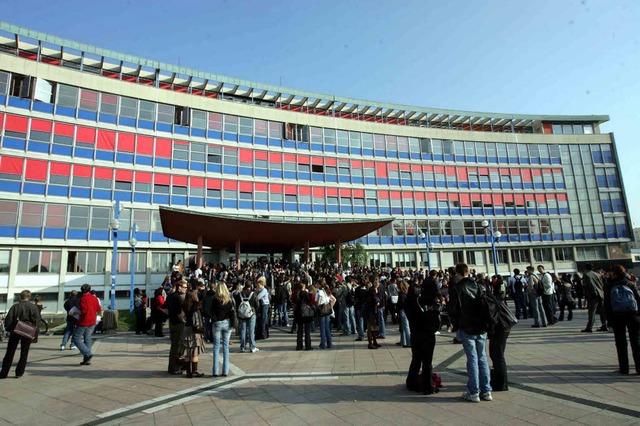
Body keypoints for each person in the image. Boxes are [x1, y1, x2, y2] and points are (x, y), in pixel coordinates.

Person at [449, 263, 492, 403]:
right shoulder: (479, 285)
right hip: (481, 325)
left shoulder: (458, 288)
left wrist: (455, 325)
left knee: (472, 359)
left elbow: (453, 310)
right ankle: (486, 390)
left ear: (458, 273)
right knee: (482, 357)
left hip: (467, 326)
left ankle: (474, 392)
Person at [405, 276, 440, 395]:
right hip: (426, 333)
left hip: (415, 333)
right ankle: (428, 386)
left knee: (416, 359)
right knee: (427, 362)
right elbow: (433, 322)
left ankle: (411, 382)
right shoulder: (424, 302)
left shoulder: (411, 302)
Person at [603, 265, 640, 375]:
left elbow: (607, 305)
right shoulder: (630, 284)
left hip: (617, 315)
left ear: (614, 274)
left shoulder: (609, 286)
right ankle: (639, 367)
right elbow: (638, 299)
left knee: (620, 342)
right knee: (636, 341)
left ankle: (624, 368)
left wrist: (609, 320)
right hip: (633, 314)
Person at [0, 290, 40, 379]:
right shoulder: (33, 307)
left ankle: (4, 373)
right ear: (29, 297)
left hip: (16, 330)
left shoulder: (16, 306)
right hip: (28, 331)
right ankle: (19, 372)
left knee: (10, 352)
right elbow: (37, 322)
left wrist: (9, 329)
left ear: (20, 297)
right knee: (24, 353)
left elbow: (9, 319)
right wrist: (35, 334)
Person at [73, 284, 102, 366]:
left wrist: (74, 312)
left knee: (76, 338)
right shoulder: (95, 298)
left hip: (84, 321)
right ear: (89, 289)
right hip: (92, 321)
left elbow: (84, 311)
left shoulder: (83, 299)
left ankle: (87, 353)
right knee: (88, 338)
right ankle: (87, 359)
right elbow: (98, 309)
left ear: (81, 290)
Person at [210, 282, 234, 377]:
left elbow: (211, 311)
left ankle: (215, 371)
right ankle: (225, 371)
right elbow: (231, 311)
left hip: (217, 323)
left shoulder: (214, 300)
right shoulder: (228, 300)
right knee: (226, 347)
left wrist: (215, 319)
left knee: (216, 347)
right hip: (227, 323)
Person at [179, 289, 205, 378]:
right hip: (195, 330)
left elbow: (181, 316)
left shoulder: (184, 305)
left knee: (187, 350)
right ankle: (194, 371)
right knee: (194, 351)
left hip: (186, 328)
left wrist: (185, 321)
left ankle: (188, 372)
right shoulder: (196, 306)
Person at [166, 279, 188, 374]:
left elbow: (164, 308)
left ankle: (172, 367)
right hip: (178, 324)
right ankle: (175, 367)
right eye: (184, 287)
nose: (186, 289)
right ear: (179, 287)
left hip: (172, 322)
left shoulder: (170, 296)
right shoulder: (178, 298)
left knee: (173, 346)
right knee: (178, 346)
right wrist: (183, 320)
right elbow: (179, 312)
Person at [582, 263, 608, 332]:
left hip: (594, 295)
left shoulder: (587, 275)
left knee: (592, 311)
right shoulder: (597, 274)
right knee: (602, 311)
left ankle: (589, 327)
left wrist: (591, 294)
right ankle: (604, 325)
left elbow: (591, 285)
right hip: (601, 294)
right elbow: (601, 284)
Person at [235, 281, 259, 353]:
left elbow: (237, 304)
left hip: (242, 314)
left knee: (243, 330)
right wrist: (255, 310)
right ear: (250, 286)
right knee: (251, 331)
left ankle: (242, 347)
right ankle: (252, 347)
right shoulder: (253, 294)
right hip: (251, 313)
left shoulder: (240, 294)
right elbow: (257, 304)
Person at [293, 280, 313, 351]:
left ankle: (299, 346)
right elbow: (308, 301)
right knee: (307, 331)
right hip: (306, 313)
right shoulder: (305, 293)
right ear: (303, 287)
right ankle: (308, 346)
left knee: (300, 330)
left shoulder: (296, 294)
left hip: (298, 313)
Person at [366, 276, 382, 350]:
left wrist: (377, 301)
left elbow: (380, 298)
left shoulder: (377, 290)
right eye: (377, 282)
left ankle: (375, 341)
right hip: (371, 311)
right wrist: (376, 301)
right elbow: (369, 300)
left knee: (375, 327)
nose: (378, 283)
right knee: (370, 327)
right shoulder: (371, 290)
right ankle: (370, 343)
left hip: (376, 310)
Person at [316, 279, 333, 349]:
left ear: (320, 285)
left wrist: (318, 307)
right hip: (327, 310)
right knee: (327, 328)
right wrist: (330, 306)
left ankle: (323, 344)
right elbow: (334, 299)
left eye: (317, 283)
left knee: (322, 328)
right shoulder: (327, 291)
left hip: (322, 311)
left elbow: (318, 303)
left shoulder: (319, 292)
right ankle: (330, 344)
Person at [396, 280, 411, 348]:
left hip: (403, 310)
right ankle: (404, 341)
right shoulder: (407, 293)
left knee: (405, 327)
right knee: (405, 327)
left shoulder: (401, 294)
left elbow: (401, 304)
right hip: (407, 310)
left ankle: (408, 342)